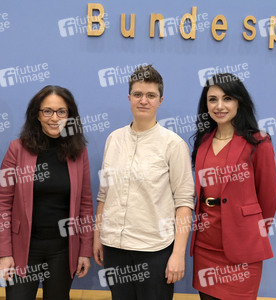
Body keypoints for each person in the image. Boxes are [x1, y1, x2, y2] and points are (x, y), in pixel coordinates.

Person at [93, 65, 195, 299]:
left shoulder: (173, 144)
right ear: (129, 98)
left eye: (150, 95)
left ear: (160, 100)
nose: (143, 100)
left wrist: (178, 253)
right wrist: (97, 237)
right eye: (138, 94)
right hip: (114, 248)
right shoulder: (114, 139)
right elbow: (103, 196)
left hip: (154, 251)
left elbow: (184, 203)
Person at [0, 85, 93, 300]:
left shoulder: (79, 152)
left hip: (63, 250)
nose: (54, 118)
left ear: (70, 116)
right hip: (24, 249)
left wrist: (85, 250)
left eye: (61, 112)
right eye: (47, 111)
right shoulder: (17, 149)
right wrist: (4, 253)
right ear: (36, 115)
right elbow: (3, 204)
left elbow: (85, 205)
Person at [190, 73, 276, 299]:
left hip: (243, 248)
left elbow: (268, 200)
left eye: (227, 98)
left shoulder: (258, 142)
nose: (219, 106)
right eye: (212, 99)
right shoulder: (203, 142)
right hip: (205, 247)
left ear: (239, 101)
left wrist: (249, 235)